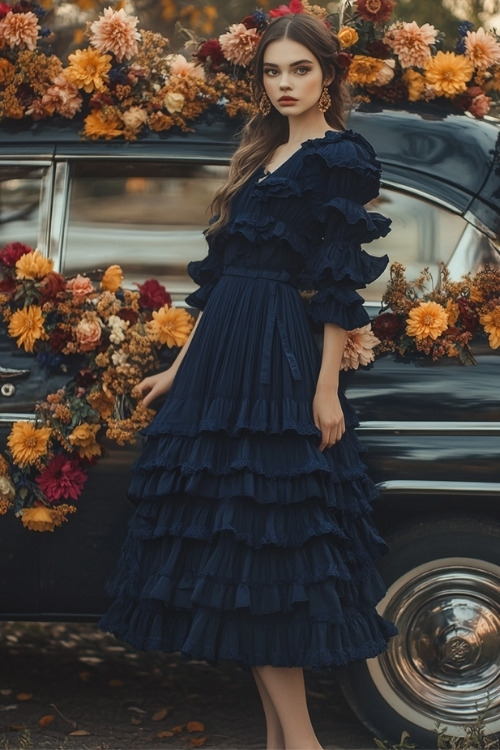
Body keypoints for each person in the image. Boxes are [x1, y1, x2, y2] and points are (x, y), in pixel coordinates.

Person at [100, 11, 397, 750]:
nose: (285, 83)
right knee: (227, 543)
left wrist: (326, 386)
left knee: (266, 543)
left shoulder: (340, 157)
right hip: (224, 355)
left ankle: (302, 743)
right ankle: (281, 742)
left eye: (299, 69)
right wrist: (178, 367)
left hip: (276, 356)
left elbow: (335, 282)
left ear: (328, 74)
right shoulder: (262, 151)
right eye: (272, 71)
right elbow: (222, 278)